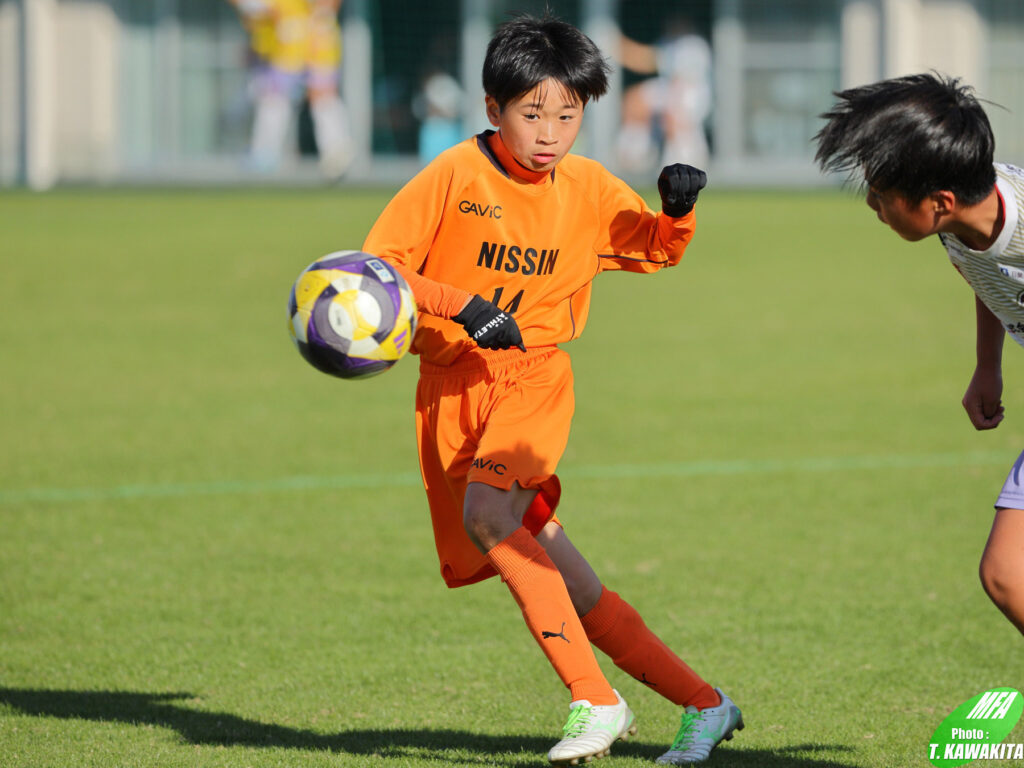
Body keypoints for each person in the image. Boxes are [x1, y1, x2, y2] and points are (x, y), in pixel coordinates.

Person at [361, 14, 742, 766]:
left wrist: (677, 212)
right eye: (532, 114)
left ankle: (594, 699)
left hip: (531, 378)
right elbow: (379, 267)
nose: (550, 134)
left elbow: (654, 249)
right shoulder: (453, 175)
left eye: (568, 117)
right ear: (492, 107)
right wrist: (462, 305)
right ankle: (706, 704)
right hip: (449, 391)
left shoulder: (588, 187)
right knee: (567, 576)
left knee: (489, 516)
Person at [815, 72, 1024, 636]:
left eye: (881, 195)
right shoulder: (962, 223)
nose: (872, 205)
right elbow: (983, 273)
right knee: (1007, 574)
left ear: (940, 202)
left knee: (1009, 571)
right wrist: (987, 365)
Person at [230, 0, 352, 178]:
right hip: (286, 46)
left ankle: (336, 154)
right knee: (274, 100)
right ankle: (265, 155)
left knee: (321, 99)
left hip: (311, 44)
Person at [617, 16, 712, 173]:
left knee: (674, 111)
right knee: (635, 100)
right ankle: (635, 156)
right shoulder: (668, 41)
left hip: (693, 95)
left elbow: (646, 61)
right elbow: (647, 61)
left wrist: (618, 43)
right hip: (671, 90)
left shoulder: (693, 44)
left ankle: (687, 160)